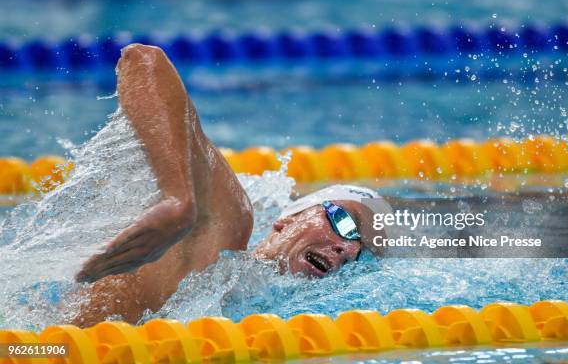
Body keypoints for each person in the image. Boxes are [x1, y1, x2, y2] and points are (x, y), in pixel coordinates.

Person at [72, 44, 391, 327]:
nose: (348, 249)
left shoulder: (280, 319)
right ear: (288, 218)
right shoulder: (223, 228)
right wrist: (178, 202)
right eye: (345, 223)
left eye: (363, 251)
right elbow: (142, 59)